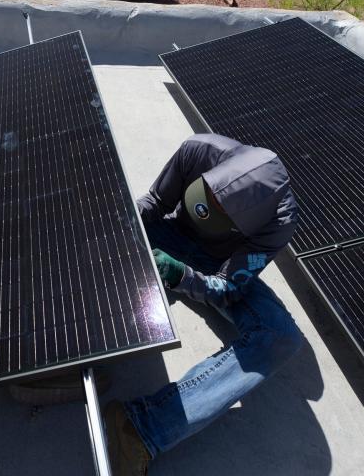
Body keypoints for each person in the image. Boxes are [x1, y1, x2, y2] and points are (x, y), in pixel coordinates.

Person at [103, 134, 304, 474]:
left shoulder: (280, 222)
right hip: (171, 233)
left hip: (221, 264)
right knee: (102, 234)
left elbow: (227, 286)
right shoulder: (198, 150)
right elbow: (154, 202)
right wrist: (125, 223)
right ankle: (59, 353)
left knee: (280, 337)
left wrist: (183, 276)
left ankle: (142, 427)